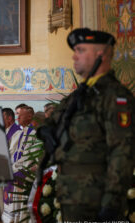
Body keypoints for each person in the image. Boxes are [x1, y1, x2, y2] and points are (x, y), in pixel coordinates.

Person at [39, 28, 134, 221]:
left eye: (81, 50)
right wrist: (45, 131)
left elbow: (122, 152)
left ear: (101, 54)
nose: (74, 57)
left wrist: (111, 203)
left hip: (96, 200)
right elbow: (51, 121)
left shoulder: (115, 96)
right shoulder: (81, 93)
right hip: (71, 196)